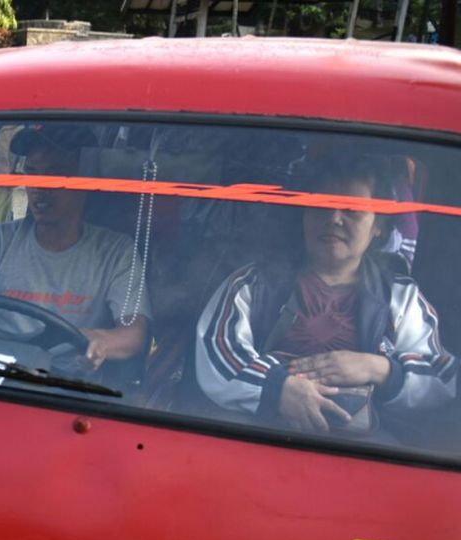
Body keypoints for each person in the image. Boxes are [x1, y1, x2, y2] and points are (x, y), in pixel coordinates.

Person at [195, 153, 455, 435]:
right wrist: (278, 389)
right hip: (259, 439)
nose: (334, 219)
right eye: (321, 206)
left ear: (378, 225)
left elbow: (444, 377)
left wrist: (379, 369)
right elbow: (216, 352)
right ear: (304, 215)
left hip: (365, 455)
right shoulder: (253, 283)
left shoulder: (401, 296)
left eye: (351, 209)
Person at [0, 125, 151, 372]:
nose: (40, 187)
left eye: (56, 174)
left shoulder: (116, 252)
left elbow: (134, 332)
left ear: (85, 179)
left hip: (68, 385)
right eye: (32, 172)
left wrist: (102, 341)